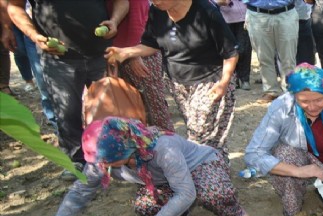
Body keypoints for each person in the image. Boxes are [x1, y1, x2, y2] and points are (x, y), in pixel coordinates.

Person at [39, 117, 251, 216]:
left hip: (202, 165)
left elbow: (186, 192)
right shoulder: (105, 156)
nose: (102, 166)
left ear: (125, 149)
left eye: (108, 161)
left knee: (214, 193)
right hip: (166, 180)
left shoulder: (162, 149)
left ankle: (234, 212)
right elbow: (83, 188)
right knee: (145, 205)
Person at [8, 0, 129, 179]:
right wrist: (34, 36)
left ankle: (118, 156)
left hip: (101, 52)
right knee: (66, 112)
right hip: (58, 57)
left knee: (111, 109)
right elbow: (14, 6)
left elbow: (122, 1)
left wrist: (115, 20)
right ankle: (77, 159)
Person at [105, 0, 238, 150]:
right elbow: (151, 44)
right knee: (205, 133)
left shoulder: (207, 12)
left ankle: (203, 168)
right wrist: (125, 52)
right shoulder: (157, 10)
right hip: (178, 83)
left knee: (198, 134)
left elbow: (231, 53)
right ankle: (216, 164)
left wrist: (223, 83)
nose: (154, 1)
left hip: (210, 81)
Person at [244, 63, 323, 216]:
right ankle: (294, 204)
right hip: (299, 161)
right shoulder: (281, 108)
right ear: (294, 95)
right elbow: (254, 153)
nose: (311, 107)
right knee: (285, 153)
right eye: (303, 101)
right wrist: (297, 171)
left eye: (319, 100)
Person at [113, 0, 173, 131]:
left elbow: (138, 19)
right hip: (122, 52)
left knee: (155, 106)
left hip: (140, 52)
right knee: (133, 106)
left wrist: (134, 54)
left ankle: (168, 142)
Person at [244, 0, 299, 103]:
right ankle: (270, 91)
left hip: (286, 13)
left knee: (288, 56)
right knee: (264, 57)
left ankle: (290, 90)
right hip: (257, 14)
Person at [217, 0, 253, 90]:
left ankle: (245, 79)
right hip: (224, 19)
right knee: (230, 50)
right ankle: (233, 80)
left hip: (244, 18)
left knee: (244, 49)